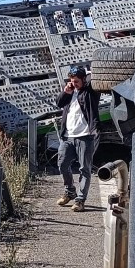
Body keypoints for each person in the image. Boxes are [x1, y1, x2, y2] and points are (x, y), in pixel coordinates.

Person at [56, 65, 100, 212]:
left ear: (83, 80)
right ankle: (70, 191)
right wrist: (65, 93)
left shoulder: (90, 92)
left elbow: (96, 80)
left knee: (84, 169)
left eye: (76, 81)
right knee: (62, 164)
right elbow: (59, 104)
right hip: (68, 136)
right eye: (72, 81)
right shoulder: (69, 92)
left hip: (85, 136)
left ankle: (80, 200)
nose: (74, 84)